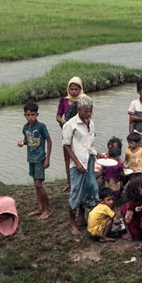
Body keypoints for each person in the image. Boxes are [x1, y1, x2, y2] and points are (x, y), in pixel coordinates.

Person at [61, 95, 100, 235]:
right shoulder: (70, 125)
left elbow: (89, 142)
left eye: (90, 111)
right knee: (76, 190)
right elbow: (66, 146)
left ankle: (82, 217)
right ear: (79, 110)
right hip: (77, 162)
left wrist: (97, 154)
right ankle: (72, 223)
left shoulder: (91, 122)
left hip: (89, 160)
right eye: (85, 111)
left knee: (89, 188)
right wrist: (77, 162)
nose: (88, 114)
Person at [17, 102, 53, 220]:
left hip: (40, 158)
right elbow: (27, 140)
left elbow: (49, 141)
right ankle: (40, 207)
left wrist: (47, 158)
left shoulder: (41, 126)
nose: (30, 117)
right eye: (28, 115)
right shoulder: (25, 127)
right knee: (36, 185)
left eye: (33, 114)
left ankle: (48, 209)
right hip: (31, 158)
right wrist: (23, 143)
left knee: (39, 184)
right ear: (24, 115)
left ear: (37, 114)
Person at [56, 77, 87, 192]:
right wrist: (62, 121)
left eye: (76, 89)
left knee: (80, 157)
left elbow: (87, 116)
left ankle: (79, 181)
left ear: (80, 89)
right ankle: (70, 182)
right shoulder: (63, 101)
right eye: (72, 89)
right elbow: (58, 116)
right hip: (67, 133)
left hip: (80, 134)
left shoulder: (84, 100)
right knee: (67, 159)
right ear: (68, 89)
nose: (74, 91)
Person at [119, 170, 142, 240]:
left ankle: (129, 234)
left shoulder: (132, 204)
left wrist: (128, 210)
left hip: (139, 232)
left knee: (123, 209)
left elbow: (128, 220)